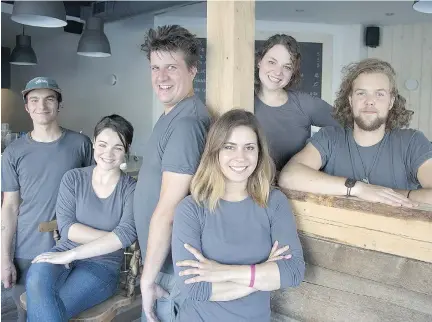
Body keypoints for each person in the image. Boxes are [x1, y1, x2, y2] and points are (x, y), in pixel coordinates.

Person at [172, 109, 305, 322]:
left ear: (259, 153)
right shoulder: (191, 209)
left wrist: (222, 272)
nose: (240, 157)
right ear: (215, 152)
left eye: (249, 148)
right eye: (229, 147)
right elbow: (194, 288)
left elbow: (293, 272)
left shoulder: (274, 202)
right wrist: (262, 274)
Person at [24, 114, 137, 321]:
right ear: (94, 143)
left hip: (101, 267)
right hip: (63, 252)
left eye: (118, 147)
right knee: (36, 278)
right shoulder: (73, 178)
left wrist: (74, 254)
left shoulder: (130, 189)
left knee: (52, 306)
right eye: (102, 144)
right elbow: (68, 229)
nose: (108, 153)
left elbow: (127, 234)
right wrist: (113, 239)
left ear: (126, 150)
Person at [279, 58, 432, 207]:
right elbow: (289, 176)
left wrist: (386, 194)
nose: (370, 101)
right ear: (351, 100)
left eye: (379, 94)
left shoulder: (413, 142)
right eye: (361, 93)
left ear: (391, 102)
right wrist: (358, 189)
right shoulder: (329, 138)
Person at [1, 77, 93, 322]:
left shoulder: (81, 145)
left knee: (69, 314)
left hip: (73, 249)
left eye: (49, 99)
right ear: (27, 107)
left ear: (59, 104)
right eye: (34, 100)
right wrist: (4, 259)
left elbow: (94, 197)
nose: (41, 106)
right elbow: (9, 207)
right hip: (27, 250)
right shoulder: (13, 152)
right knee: (27, 314)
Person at [135, 25, 211, 322]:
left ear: (192, 70)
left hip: (168, 273)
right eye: (155, 68)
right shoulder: (171, 114)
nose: (161, 77)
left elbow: (168, 211)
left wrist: (147, 278)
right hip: (162, 266)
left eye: (171, 67)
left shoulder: (186, 124)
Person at [254, 34, 339, 172]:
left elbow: (347, 125)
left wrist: (318, 150)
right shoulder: (242, 101)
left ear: (293, 72)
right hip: (254, 188)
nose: (278, 72)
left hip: (295, 190)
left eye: (287, 67)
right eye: (272, 62)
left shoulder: (305, 104)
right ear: (259, 61)